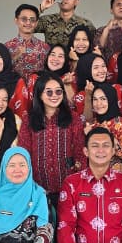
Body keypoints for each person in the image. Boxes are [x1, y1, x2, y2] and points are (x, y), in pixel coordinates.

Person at [17, 74, 86, 204]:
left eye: (58, 91)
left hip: (68, 188)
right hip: (38, 190)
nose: (54, 95)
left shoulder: (73, 118)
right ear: (39, 95)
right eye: (49, 92)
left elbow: (80, 152)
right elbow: (24, 154)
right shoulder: (29, 119)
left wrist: (79, 184)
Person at [85, 83, 122, 168]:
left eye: (103, 99)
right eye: (95, 99)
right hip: (94, 172)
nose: (98, 103)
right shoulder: (94, 123)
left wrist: (109, 135)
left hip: (114, 174)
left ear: (111, 99)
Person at [71, 53, 122, 120]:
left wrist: (117, 124)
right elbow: (84, 122)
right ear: (86, 70)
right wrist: (88, 96)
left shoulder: (117, 88)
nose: (101, 70)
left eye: (103, 66)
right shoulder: (81, 96)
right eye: (96, 67)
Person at [5, 4, 49, 78]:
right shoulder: (6, 47)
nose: (28, 23)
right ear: (16, 21)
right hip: (13, 85)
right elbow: (1, 71)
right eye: (24, 19)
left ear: (36, 23)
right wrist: (15, 56)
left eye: (32, 20)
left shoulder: (45, 48)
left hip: (37, 85)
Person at [93, 0, 122, 64]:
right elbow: (97, 48)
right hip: (107, 69)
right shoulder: (102, 30)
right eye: (118, 5)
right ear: (111, 10)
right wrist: (107, 29)